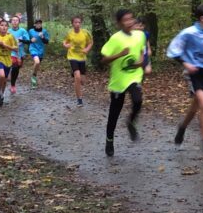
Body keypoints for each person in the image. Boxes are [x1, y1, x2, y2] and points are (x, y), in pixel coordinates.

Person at [167, 4, 203, 155]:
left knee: (195, 107)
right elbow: (173, 50)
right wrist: (186, 63)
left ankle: (182, 127)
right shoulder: (189, 33)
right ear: (202, 18)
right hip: (194, 73)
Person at [100, 9, 148, 157]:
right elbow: (103, 60)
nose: (129, 22)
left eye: (131, 19)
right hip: (118, 80)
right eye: (125, 20)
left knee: (138, 100)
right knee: (114, 113)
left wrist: (141, 61)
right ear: (120, 23)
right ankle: (109, 139)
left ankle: (131, 122)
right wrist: (119, 54)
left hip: (134, 77)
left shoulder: (140, 35)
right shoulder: (115, 39)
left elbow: (142, 52)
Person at [63, 16, 93, 106]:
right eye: (75, 22)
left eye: (79, 22)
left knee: (82, 81)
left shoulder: (85, 33)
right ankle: (79, 99)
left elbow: (91, 42)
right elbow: (64, 42)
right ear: (72, 23)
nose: (77, 24)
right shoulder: (69, 33)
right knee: (77, 77)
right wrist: (66, 45)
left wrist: (87, 49)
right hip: (72, 56)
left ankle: (75, 73)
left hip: (82, 57)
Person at [8, 16, 30, 95]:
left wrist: (20, 40)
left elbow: (28, 41)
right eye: (13, 20)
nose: (14, 22)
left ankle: (13, 84)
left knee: (16, 69)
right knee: (14, 67)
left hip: (20, 53)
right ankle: (12, 84)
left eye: (16, 20)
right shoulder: (8, 31)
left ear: (19, 22)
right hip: (10, 52)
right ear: (11, 22)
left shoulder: (23, 31)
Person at [27, 19, 50, 89]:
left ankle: (34, 75)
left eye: (40, 23)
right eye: (37, 23)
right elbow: (27, 40)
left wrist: (42, 37)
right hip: (33, 49)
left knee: (37, 64)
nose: (38, 25)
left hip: (41, 51)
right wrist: (31, 40)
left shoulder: (44, 31)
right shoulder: (31, 31)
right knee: (37, 62)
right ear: (34, 24)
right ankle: (33, 77)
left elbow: (46, 42)